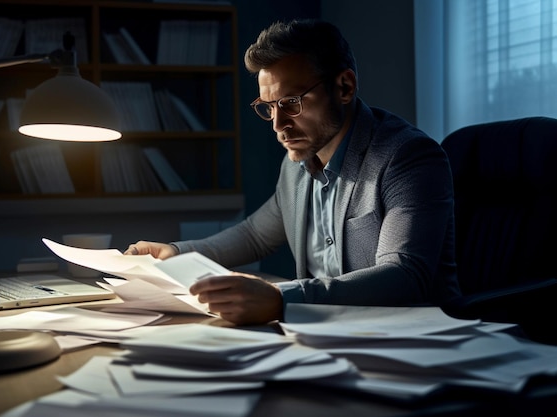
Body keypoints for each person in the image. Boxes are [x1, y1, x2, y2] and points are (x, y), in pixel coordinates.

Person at [125, 19, 461, 325]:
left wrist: (282, 299)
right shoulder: (298, 163)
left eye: (291, 103)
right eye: (268, 107)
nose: (278, 125)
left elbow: (404, 275)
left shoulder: (407, 156)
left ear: (344, 87)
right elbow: (255, 235)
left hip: (407, 339)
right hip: (325, 335)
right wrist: (175, 251)